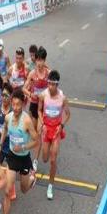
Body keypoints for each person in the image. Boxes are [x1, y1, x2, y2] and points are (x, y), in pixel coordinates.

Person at [0, 89, 39, 214]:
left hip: (24, 158)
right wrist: (0, 145)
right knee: (8, 191)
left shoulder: (26, 121)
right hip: (12, 157)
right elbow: (5, 130)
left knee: (24, 189)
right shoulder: (8, 117)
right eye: (13, 104)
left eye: (18, 105)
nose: (15, 108)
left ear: (23, 105)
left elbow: (36, 140)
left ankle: (32, 179)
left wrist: (22, 147)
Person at [38, 70, 70, 200]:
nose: (50, 87)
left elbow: (68, 114)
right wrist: (42, 124)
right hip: (46, 129)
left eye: (53, 84)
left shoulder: (63, 98)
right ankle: (47, 149)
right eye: (49, 84)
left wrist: (61, 126)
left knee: (52, 160)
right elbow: (39, 110)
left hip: (56, 130)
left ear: (57, 85)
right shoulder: (43, 95)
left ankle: (50, 185)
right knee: (45, 158)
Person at [23, 46, 49, 170]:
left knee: (39, 133)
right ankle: (26, 155)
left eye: (41, 60)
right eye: (38, 60)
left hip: (43, 107)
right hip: (34, 105)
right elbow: (24, 88)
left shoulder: (48, 73)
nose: (39, 63)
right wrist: (30, 94)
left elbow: (53, 89)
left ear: (44, 60)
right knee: (32, 134)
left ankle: (35, 161)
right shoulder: (32, 73)